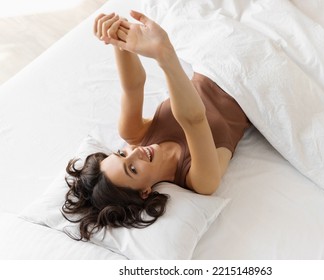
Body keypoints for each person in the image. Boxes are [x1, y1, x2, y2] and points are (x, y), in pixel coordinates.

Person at [62, 11, 250, 240]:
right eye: (132, 169)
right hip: (249, 82)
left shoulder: (134, 135)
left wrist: (116, 37)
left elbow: (133, 87)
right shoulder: (201, 180)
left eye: (122, 154)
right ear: (144, 192)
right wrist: (164, 55)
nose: (135, 153)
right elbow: (194, 120)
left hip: (215, 57)